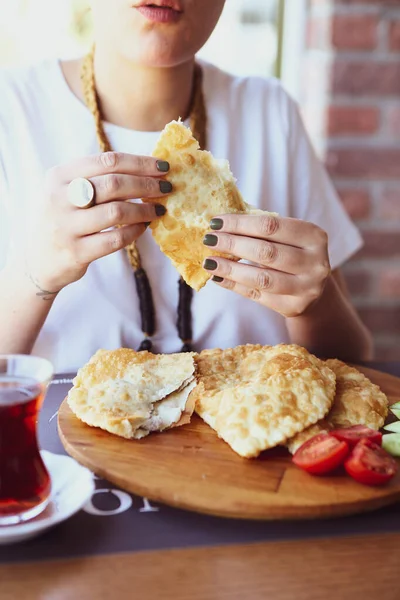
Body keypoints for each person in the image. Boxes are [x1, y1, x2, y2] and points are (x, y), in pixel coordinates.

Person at [0, 0, 372, 374]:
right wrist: (34, 274)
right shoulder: (11, 114)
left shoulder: (271, 114)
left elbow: (358, 364)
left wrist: (314, 304)